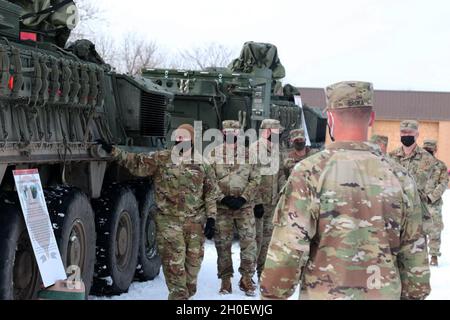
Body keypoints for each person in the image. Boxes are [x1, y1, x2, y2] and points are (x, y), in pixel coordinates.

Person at [260, 81, 430, 300]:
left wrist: (271, 297)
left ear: (330, 118)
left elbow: (285, 255)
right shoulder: (401, 177)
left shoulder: (310, 172)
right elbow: (416, 269)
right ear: (371, 118)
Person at [98, 124, 219, 300]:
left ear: (192, 140)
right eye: (177, 137)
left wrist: (212, 219)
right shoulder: (162, 158)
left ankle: (185, 295)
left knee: (192, 270)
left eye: (184, 137)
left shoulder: (203, 163)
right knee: (174, 268)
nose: (179, 141)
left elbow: (211, 193)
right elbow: (136, 162)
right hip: (168, 223)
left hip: (195, 224)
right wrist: (113, 151)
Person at [211, 120, 261, 296]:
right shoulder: (213, 154)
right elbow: (209, 181)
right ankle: (225, 281)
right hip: (222, 208)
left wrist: (244, 198)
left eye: (234, 131)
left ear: (240, 134)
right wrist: (222, 197)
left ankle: (246, 279)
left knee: (249, 244)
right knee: (222, 245)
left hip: (244, 208)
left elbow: (256, 179)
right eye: (227, 131)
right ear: (222, 133)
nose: (231, 134)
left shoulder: (249, 155)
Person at [250, 119, 285, 281]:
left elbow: (280, 175)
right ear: (268, 131)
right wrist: (256, 201)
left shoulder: (278, 150)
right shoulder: (255, 149)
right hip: (258, 204)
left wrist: (283, 194)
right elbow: (251, 177)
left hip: (273, 202)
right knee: (254, 241)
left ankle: (262, 274)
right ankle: (247, 276)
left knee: (268, 241)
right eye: (277, 132)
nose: (280, 135)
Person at [389, 121, 437, 236]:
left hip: (416, 215)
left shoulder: (427, 159)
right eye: (403, 132)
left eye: (409, 132)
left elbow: (416, 184)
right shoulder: (390, 156)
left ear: (417, 134)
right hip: (394, 213)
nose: (406, 135)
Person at [422, 140, 449, 266]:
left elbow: (443, 184)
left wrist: (431, 197)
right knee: (418, 230)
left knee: (435, 230)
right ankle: (420, 256)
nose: (428, 151)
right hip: (419, 202)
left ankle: (434, 256)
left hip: (434, 204)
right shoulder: (417, 165)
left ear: (435, 150)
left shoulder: (441, 166)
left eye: (430, 149)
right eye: (426, 149)